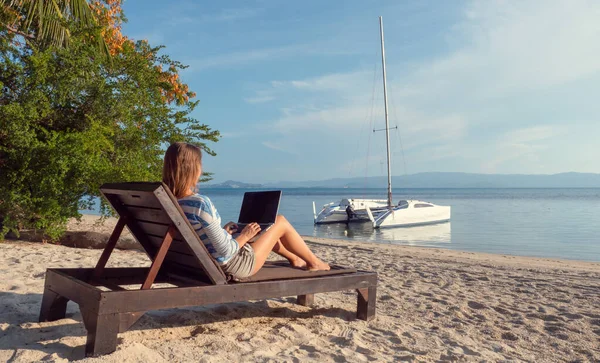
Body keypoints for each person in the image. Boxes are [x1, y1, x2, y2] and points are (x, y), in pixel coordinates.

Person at [162, 142, 330, 280]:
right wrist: (244, 236)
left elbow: (198, 236)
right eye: (200, 165)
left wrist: (223, 232)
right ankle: (314, 262)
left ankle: (295, 258)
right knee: (279, 222)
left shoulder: (169, 202)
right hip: (232, 266)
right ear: (192, 169)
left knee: (264, 228)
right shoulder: (200, 203)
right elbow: (226, 252)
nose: (202, 169)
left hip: (191, 264)